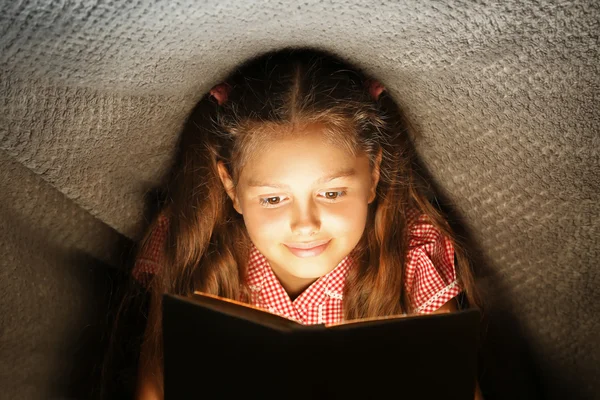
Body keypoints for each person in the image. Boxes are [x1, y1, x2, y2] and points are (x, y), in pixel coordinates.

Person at [130, 47, 484, 399]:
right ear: (231, 187)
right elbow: (156, 378)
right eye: (273, 199)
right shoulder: (194, 239)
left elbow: (455, 386)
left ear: (373, 174)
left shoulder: (409, 251)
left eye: (332, 194)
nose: (305, 224)